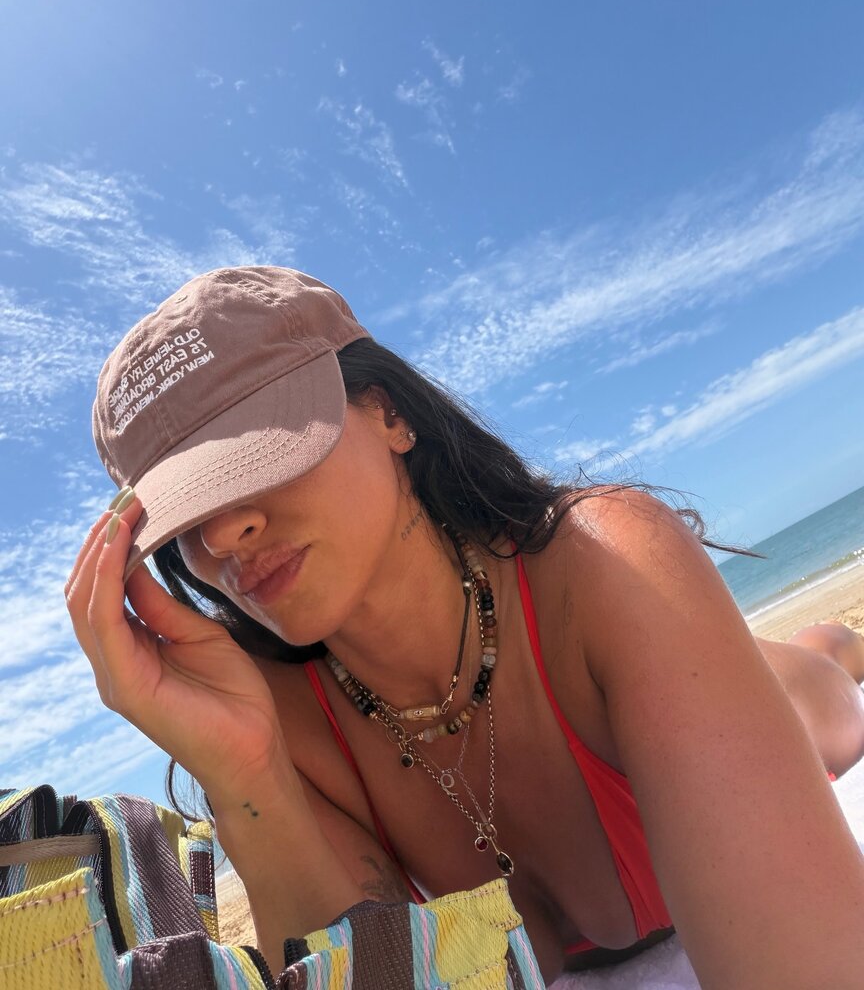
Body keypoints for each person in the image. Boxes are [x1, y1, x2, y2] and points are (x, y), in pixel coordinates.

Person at [65, 265, 864, 987]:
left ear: (388, 414)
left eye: (252, 454)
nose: (220, 536)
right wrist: (246, 778)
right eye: (182, 518)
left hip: (794, 702)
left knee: (823, 672)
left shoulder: (603, 566)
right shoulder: (279, 726)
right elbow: (367, 972)